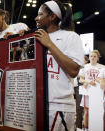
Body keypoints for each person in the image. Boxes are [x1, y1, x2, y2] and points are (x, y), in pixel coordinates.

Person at [34, 0, 84, 130]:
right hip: (36, 104)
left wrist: (50, 44)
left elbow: (73, 70)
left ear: (52, 16)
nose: (36, 18)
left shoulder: (70, 37)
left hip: (59, 105)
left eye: (40, 14)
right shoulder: (36, 38)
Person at [79, 50, 105, 130]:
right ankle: (86, 128)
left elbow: (103, 80)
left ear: (98, 58)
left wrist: (101, 82)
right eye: (91, 56)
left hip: (98, 93)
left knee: (99, 113)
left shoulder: (102, 67)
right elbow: (81, 80)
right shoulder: (85, 66)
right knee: (87, 111)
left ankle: (96, 128)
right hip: (88, 91)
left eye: (94, 56)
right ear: (89, 57)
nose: (93, 58)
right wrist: (87, 81)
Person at [74, 55, 89, 130]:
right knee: (78, 108)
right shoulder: (77, 65)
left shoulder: (87, 68)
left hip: (81, 86)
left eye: (83, 60)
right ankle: (78, 126)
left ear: (86, 61)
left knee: (80, 108)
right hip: (73, 85)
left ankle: (79, 127)